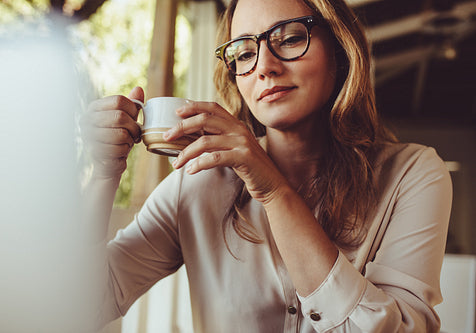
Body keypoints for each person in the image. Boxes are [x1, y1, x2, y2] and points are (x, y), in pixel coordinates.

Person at [82, 0, 452, 331]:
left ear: (340, 50)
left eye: (290, 39)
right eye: (244, 53)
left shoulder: (413, 175)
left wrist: (274, 192)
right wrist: (103, 174)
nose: (265, 67)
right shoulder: (196, 183)